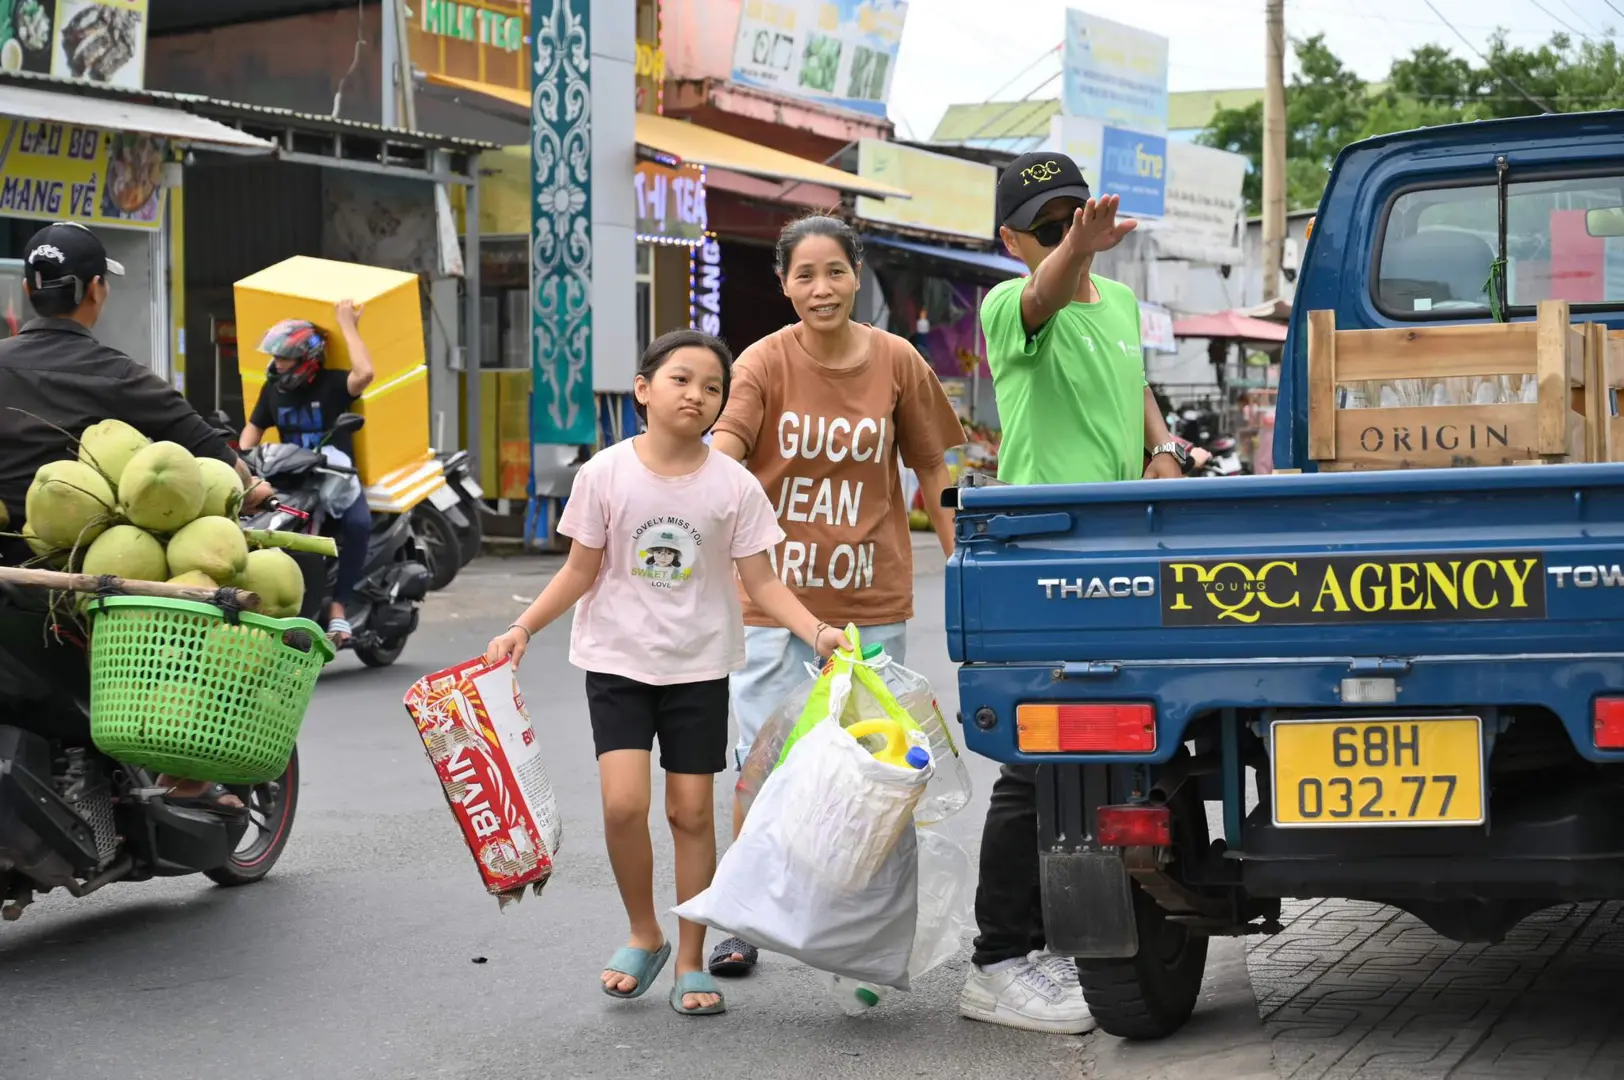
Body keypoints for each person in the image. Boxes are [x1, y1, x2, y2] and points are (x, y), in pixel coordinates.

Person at [484, 329, 853, 1017]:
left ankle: (689, 957)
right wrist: (522, 628)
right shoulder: (604, 475)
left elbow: (764, 585)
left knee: (690, 812)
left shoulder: (733, 485)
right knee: (624, 804)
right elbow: (579, 570)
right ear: (645, 389)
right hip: (618, 664)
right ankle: (643, 931)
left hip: (698, 668)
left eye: (713, 387)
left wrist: (819, 632)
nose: (698, 395)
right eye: (682, 379)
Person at [959, 152, 1185, 1036]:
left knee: (1120, 746)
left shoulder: (1124, 304)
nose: (1070, 235)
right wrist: (1072, 254)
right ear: (1015, 239)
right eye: (1051, 227)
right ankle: (998, 960)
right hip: (1040, 551)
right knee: (1035, 760)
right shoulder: (1008, 306)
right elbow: (1044, 297)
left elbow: (1133, 386)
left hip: (1122, 546)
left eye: (1078, 216)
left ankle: (1056, 938)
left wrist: (1164, 446)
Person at [704, 214, 966, 978]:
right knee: (764, 764)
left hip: (872, 604)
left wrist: (964, 567)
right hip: (771, 603)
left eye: (835, 272)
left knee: (874, 769)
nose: (821, 288)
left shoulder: (898, 361)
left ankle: (869, 929)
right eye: (804, 275)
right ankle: (743, 915)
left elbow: (933, 473)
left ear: (858, 276)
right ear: (783, 284)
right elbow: (725, 451)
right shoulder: (761, 363)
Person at [0, 221, 271, 815]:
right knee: (190, 627)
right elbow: (201, 444)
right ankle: (185, 777)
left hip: (7, 572)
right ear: (95, 290)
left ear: (29, 289)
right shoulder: (116, 374)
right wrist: (252, 486)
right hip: (73, 579)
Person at [238, 302, 374, 646]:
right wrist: (244, 463)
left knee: (357, 524)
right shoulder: (274, 390)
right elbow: (251, 431)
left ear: (307, 360)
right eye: (276, 357)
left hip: (335, 477)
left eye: (284, 358)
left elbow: (365, 375)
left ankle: (339, 609)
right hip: (292, 480)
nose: (277, 364)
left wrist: (347, 325)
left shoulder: (330, 384)